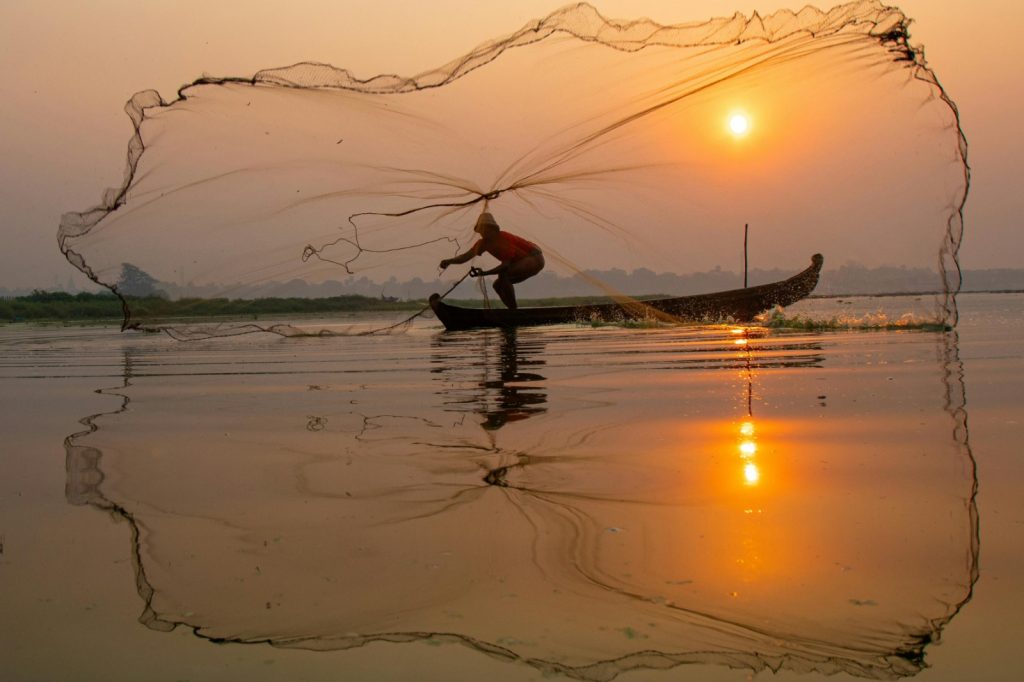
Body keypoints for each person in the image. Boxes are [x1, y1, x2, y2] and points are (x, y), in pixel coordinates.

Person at [439, 212, 544, 310]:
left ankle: (514, 311)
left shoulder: (503, 238)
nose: (484, 233)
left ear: (493, 229)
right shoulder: (482, 243)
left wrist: (485, 273)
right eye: (481, 231)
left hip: (534, 258)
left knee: (504, 275)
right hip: (519, 263)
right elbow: (465, 257)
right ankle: (512, 311)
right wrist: (449, 261)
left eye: (486, 230)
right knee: (497, 285)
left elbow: (505, 266)